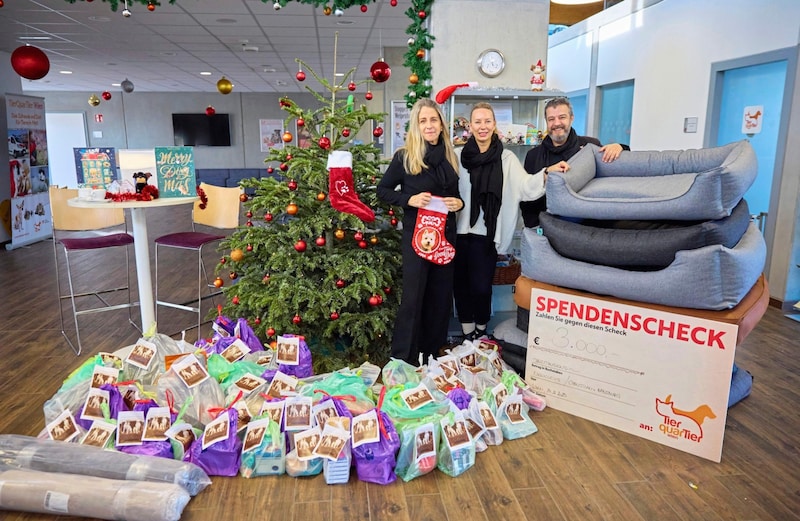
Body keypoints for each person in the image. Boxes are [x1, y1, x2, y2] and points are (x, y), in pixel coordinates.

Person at [377, 98, 464, 365]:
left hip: (445, 238)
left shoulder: (450, 156)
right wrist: (409, 200)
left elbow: (456, 197)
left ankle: (431, 357)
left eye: (433, 120)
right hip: (417, 240)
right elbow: (383, 191)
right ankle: (403, 359)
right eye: (423, 120)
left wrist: (458, 203)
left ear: (441, 124)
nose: (429, 125)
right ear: (416, 125)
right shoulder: (405, 157)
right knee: (413, 300)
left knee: (439, 300)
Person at [454, 102, 548, 342]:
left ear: (494, 124)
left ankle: (481, 331)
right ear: (470, 126)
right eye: (478, 121)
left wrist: (547, 174)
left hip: (487, 234)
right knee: (461, 287)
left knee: (482, 288)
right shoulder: (457, 156)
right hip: (458, 232)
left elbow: (526, 187)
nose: (482, 126)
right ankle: (467, 336)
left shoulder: (506, 159)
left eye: (487, 121)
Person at [521, 96, 628, 228]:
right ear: (546, 122)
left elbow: (616, 171)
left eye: (562, 117)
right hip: (550, 226)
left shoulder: (591, 146)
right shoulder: (533, 156)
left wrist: (620, 147)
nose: (556, 123)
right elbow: (526, 199)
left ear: (572, 118)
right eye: (551, 119)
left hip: (589, 225)